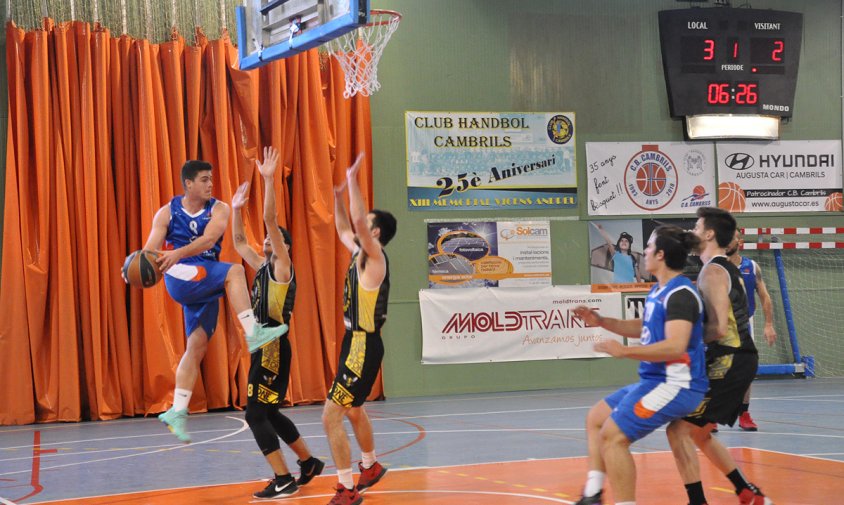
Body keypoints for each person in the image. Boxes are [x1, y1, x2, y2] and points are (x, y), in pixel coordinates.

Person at [128, 160, 286, 443]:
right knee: (235, 271)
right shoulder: (166, 213)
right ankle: (253, 332)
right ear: (188, 184)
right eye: (204, 179)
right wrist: (133, 270)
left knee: (197, 345)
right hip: (181, 276)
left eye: (211, 178)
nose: (210, 183)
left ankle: (177, 410)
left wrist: (177, 251)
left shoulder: (219, 208)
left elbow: (210, 238)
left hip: (204, 277)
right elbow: (150, 253)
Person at [572, 225, 707, 505]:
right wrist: (603, 322)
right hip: (655, 381)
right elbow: (643, 327)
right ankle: (593, 494)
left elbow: (675, 345)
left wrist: (624, 352)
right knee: (596, 418)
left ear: (660, 254)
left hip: (677, 385)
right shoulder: (660, 290)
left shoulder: (680, 294)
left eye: (648, 248)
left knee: (614, 437)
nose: (643, 252)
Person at [231, 147, 325, 499]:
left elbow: (271, 219)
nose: (268, 238)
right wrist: (237, 210)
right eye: (268, 238)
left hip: (272, 344)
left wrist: (268, 179)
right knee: (268, 411)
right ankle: (309, 462)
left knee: (255, 415)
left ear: (285, 246)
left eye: (275, 237)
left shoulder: (283, 266)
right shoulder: (263, 267)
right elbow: (240, 241)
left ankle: (283, 479)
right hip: (265, 344)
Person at [666, 207, 773, 505]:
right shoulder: (726, 267)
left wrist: (681, 340)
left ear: (710, 234)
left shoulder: (712, 270)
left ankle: (698, 501)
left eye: (698, 225)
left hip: (731, 358)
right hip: (738, 357)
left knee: (678, 430)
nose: (695, 230)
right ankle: (745, 490)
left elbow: (717, 327)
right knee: (698, 432)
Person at [322, 154, 397, 505]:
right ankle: (369, 467)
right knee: (353, 409)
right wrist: (338, 198)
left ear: (375, 232)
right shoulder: (360, 253)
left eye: (366, 225)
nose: (358, 229)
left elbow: (356, 221)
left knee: (330, 416)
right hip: (357, 342)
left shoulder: (376, 257)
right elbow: (342, 227)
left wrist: (353, 182)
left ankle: (346, 489)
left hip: (363, 344)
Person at [727, 229, 777, 431]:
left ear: (740, 241)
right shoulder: (715, 266)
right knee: (715, 370)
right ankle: (710, 415)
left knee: (746, 370)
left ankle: (744, 413)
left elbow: (764, 296)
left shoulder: (752, 267)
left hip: (744, 324)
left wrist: (768, 323)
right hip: (719, 325)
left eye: (731, 237)